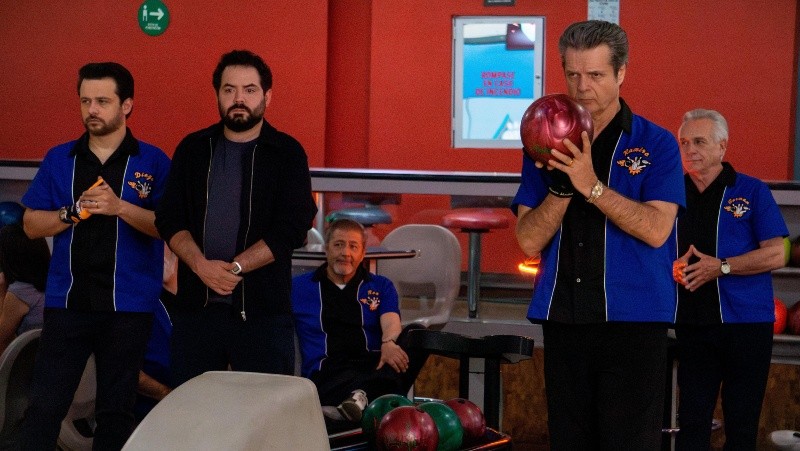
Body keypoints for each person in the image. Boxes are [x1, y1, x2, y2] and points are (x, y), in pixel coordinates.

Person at [512, 20, 685, 449]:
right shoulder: (543, 141)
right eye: (572, 74)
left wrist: (591, 186)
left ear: (621, 73)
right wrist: (560, 189)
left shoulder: (657, 143)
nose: (582, 87)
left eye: (595, 74)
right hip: (564, 316)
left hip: (635, 320)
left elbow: (657, 230)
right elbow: (528, 240)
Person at [19, 62, 171, 450]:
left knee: (116, 413)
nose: (92, 110)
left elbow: (169, 227)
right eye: (85, 101)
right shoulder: (60, 158)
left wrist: (120, 207)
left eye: (102, 101)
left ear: (127, 105)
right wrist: (71, 213)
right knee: (43, 408)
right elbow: (31, 225)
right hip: (67, 302)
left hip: (129, 306)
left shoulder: (153, 160)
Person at [155, 49, 317, 386]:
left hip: (263, 313)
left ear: (267, 97)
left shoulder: (287, 153)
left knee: (264, 410)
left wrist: (235, 268)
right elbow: (170, 218)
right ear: (217, 94)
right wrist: (200, 266)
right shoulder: (193, 149)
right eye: (229, 89)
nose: (238, 99)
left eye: (249, 89)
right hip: (196, 312)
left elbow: (293, 226)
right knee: (193, 409)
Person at [672, 109, 787, 450]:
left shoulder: (751, 190)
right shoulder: (671, 193)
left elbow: (777, 254)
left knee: (741, 423)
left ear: (722, 146)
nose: (690, 149)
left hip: (747, 325)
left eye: (699, 142)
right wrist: (670, 266)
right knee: (692, 422)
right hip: (692, 323)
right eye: (684, 142)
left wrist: (721, 267)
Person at [292, 219, 428, 423]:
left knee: (417, 334)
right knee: (387, 381)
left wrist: (389, 342)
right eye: (338, 245)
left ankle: (359, 399)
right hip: (328, 374)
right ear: (326, 248)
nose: (345, 253)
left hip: (373, 366)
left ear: (363, 253)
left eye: (353, 246)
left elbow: (391, 322)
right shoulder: (299, 287)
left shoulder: (380, 285)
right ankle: (371, 397)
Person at [0, 223, 50, 355]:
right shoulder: (54, 281)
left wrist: (1, 292)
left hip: (30, 360)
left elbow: (1, 338)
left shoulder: (20, 291)